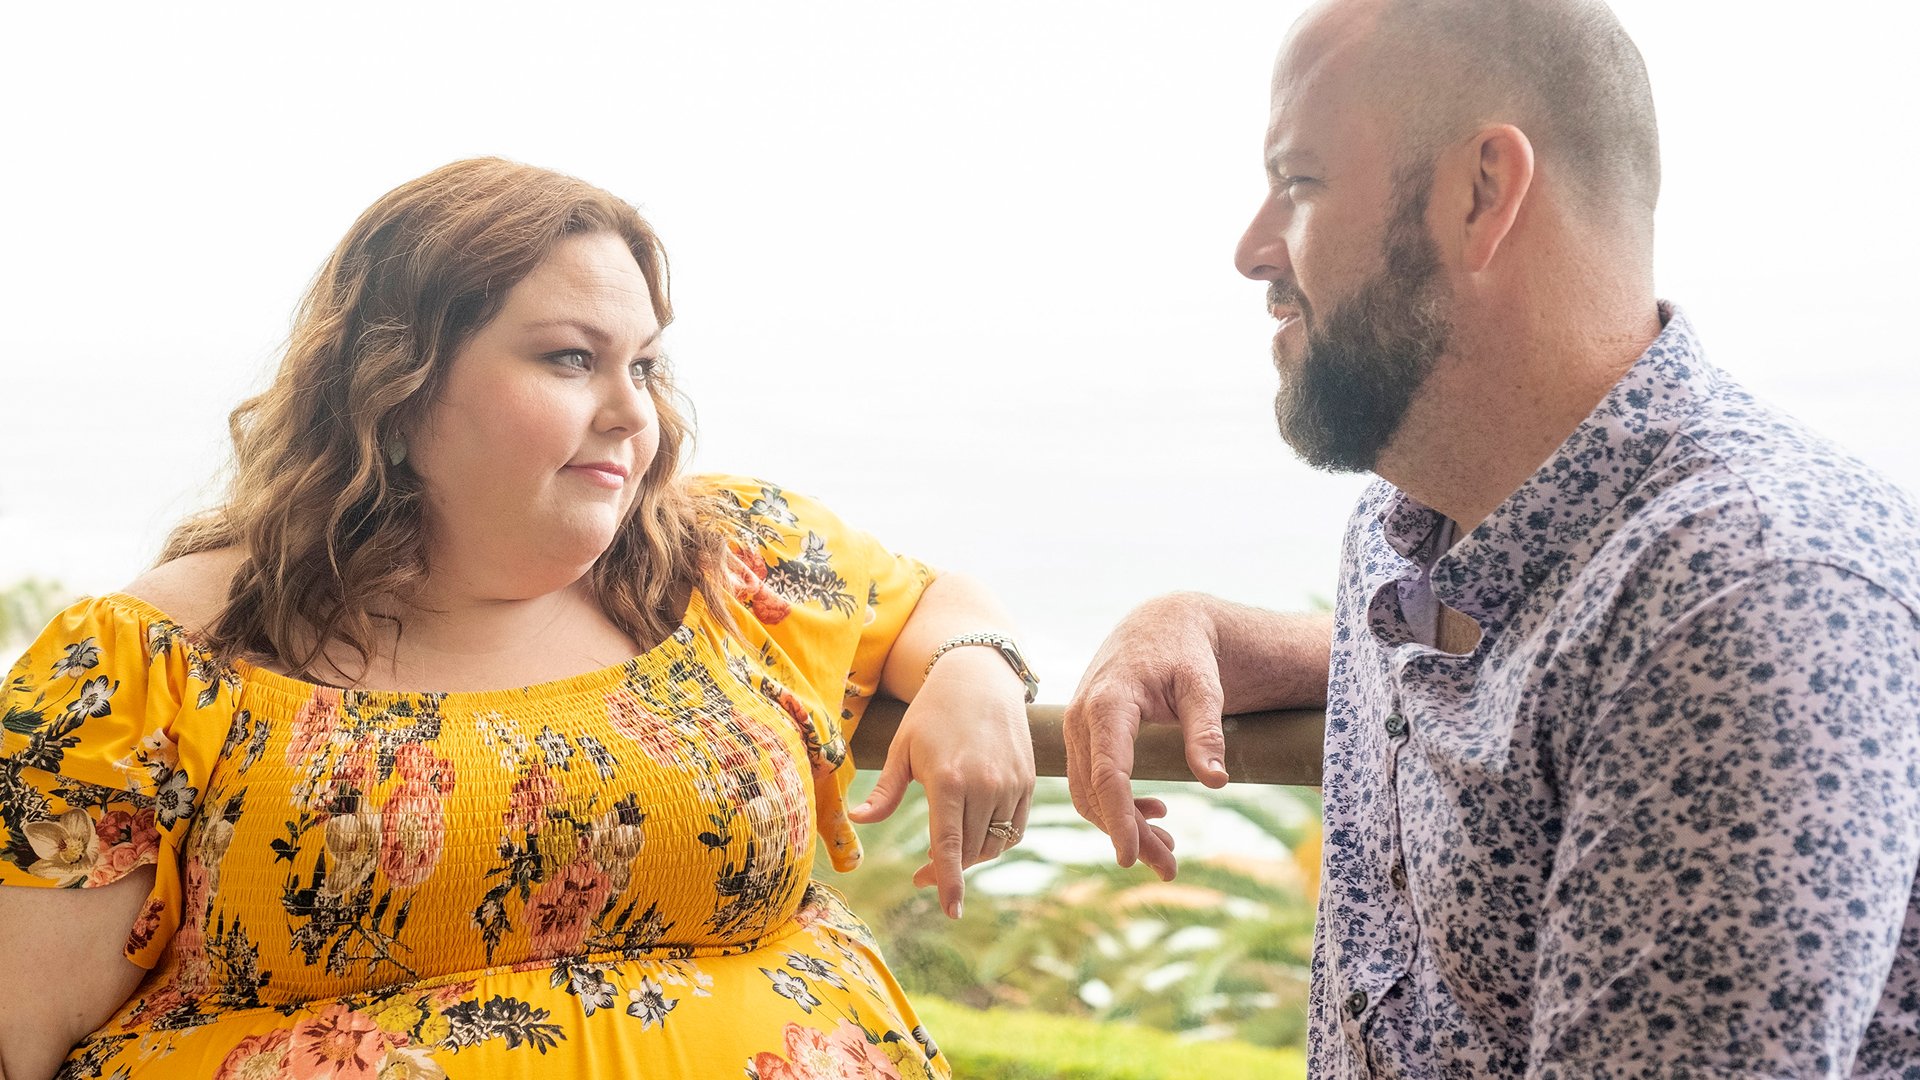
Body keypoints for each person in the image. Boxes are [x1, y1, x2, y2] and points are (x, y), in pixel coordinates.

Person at [0, 158, 1038, 1080]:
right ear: (396, 386)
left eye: (644, 364)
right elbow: (20, 1038)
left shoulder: (728, 561)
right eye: (569, 359)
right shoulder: (146, 665)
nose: (635, 412)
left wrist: (976, 670)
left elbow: (936, 598)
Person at [1063, 0, 1920, 1075]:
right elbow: (1549, 680)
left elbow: (1640, 673)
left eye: (1302, 182)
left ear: (1483, 194)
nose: (1252, 249)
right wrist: (1238, 637)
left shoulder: (1757, 605)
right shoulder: (1411, 529)